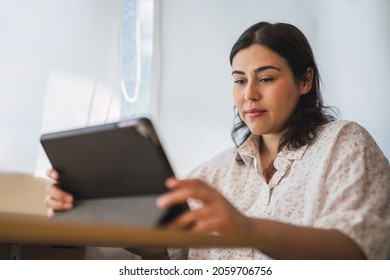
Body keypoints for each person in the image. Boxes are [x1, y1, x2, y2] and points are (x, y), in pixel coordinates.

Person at [44, 21, 390, 260]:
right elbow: (168, 250)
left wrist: (246, 227)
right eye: (239, 81)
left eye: (266, 78)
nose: (249, 95)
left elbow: (356, 252)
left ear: (305, 81)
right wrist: (93, 212)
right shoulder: (215, 173)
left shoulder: (344, 143)